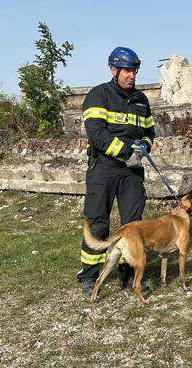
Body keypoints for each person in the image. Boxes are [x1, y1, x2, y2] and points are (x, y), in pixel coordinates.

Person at [77, 47, 155, 295]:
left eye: (134, 70)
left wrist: (145, 145)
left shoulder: (142, 100)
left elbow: (149, 132)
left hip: (131, 171)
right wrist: (126, 152)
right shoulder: (98, 96)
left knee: (132, 224)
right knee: (98, 222)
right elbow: (97, 134)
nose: (131, 75)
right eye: (126, 71)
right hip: (104, 168)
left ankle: (127, 271)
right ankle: (89, 275)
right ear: (114, 70)